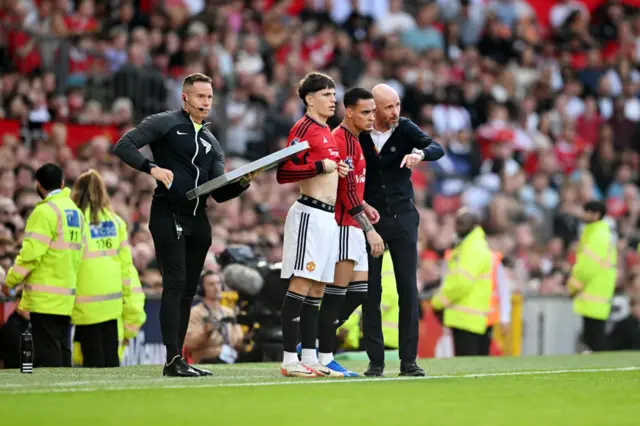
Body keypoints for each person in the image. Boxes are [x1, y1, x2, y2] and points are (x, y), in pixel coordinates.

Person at [112, 73, 254, 377]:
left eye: (210, 97)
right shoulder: (166, 122)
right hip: (167, 213)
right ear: (185, 98)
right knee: (175, 284)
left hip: (198, 220)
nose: (206, 102)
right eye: (201, 96)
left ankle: (180, 360)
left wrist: (242, 183)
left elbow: (218, 191)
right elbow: (124, 145)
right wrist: (152, 168)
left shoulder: (212, 142)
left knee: (189, 290)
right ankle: (172, 360)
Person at [359, 84, 444, 377]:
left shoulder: (405, 128)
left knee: (407, 288)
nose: (395, 112)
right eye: (388, 107)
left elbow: (437, 147)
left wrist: (420, 155)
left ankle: (409, 361)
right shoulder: (359, 132)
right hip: (371, 220)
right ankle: (376, 361)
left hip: (404, 217)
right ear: (374, 109)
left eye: (397, 105)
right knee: (371, 290)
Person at [276, 72, 349, 378]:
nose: (333, 100)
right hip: (308, 213)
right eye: (326, 94)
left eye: (334, 94)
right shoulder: (302, 129)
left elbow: (326, 169)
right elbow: (283, 172)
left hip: (328, 218)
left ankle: (310, 356)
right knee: (301, 283)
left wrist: (337, 170)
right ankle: (289, 360)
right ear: (309, 99)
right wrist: (320, 166)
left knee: (318, 287)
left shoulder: (327, 131)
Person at [313, 87, 384, 377]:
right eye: (365, 112)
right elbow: (341, 191)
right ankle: (323, 354)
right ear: (349, 111)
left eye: (373, 112)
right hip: (343, 225)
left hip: (354, 220)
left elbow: (350, 186)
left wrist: (364, 204)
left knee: (358, 293)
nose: (371, 117)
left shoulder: (355, 141)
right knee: (337, 293)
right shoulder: (339, 140)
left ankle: (316, 342)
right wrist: (371, 231)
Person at [1, 163, 85, 367]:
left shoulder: (45, 212)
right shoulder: (76, 213)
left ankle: (55, 396)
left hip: (45, 295)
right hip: (67, 293)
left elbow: (30, 255)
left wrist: (10, 280)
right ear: (62, 183)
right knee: (63, 348)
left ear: (38, 185)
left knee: (48, 353)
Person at [70, 169, 133, 368]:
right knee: (111, 358)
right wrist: (126, 296)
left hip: (85, 301)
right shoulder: (116, 222)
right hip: (112, 300)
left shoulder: (74, 222)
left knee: (92, 360)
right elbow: (126, 266)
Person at [432, 209, 493, 356]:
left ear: (474, 225)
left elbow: (461, 282)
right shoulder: (468, 245)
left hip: (466, 318)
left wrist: (438, 302)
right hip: (468, 318)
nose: (458, 227)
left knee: (468, 367)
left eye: (462, 223)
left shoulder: (472, 248)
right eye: (457, 222)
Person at [567, 200, 617, 353]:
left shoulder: (597, 235)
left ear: (596, 215)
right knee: (593, 334)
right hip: (596, 291)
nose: (584, 215)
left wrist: (573, 285)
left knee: (594, 337)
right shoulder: (597, 233)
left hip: (594, 291)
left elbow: (588, 267)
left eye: (587, 211)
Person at [183, 271, 245, 364]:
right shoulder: (195, 313)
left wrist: (246, 337)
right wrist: (206, 334)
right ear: (202, 289)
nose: (216, 288)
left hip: (230, 359)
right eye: (211, 284)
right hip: (206, 361)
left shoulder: (229, 312)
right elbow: (190, 344)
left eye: (218, 283)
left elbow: (237, 342)